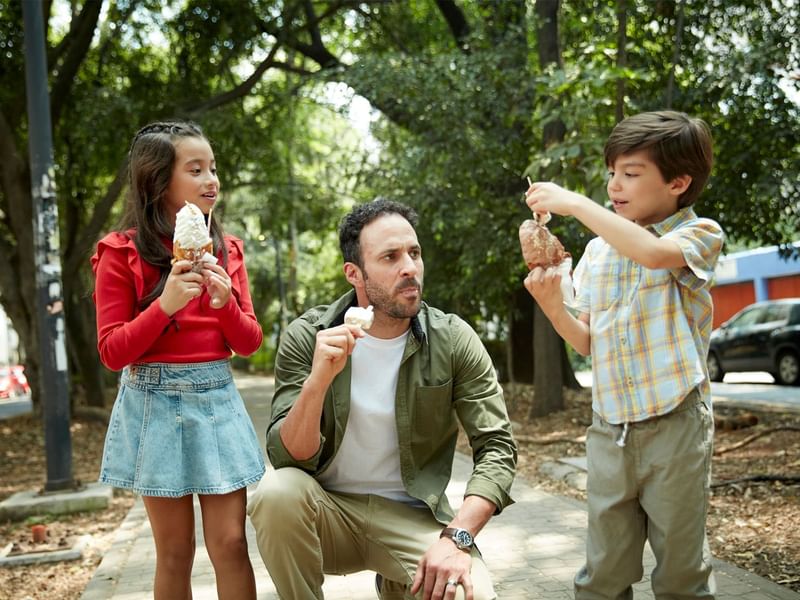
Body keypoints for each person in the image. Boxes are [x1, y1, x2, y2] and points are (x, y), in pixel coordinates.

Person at [247, 199, 517, 600]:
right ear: (354, 273)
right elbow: (290, 459)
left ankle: (398, 583)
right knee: (276, 493)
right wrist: (318, 381)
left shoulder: (453, 338)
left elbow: (497, 448)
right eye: (390, 257)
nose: (409, 267)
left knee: (469, 594)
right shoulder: (309, 336)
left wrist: (456, 538)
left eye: (414, 253)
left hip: (412, 516)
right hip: (327, 513)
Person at [523, 110, 724, 599]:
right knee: (603, 574)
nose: (615, 184)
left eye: (631, 174)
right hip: (609, 428)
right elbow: (588, 341)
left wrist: (574, 202)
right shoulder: (597, 253)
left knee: (680, 575)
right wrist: (554, 307)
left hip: (676, 427)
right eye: (612, 172)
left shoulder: (699, 234)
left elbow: (652, 254)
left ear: (678, 182)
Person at [91, 121, 265, 600]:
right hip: (152, 403)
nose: (212, 180)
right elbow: (112, 351)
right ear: (159, 180)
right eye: (196, 169)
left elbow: (249, 343)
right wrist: (163, 304)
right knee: (174, 551)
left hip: (216, 397)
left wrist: (222, 302)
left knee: (230, 543)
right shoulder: (120, 252)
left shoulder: (227, 251)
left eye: (213, 168)